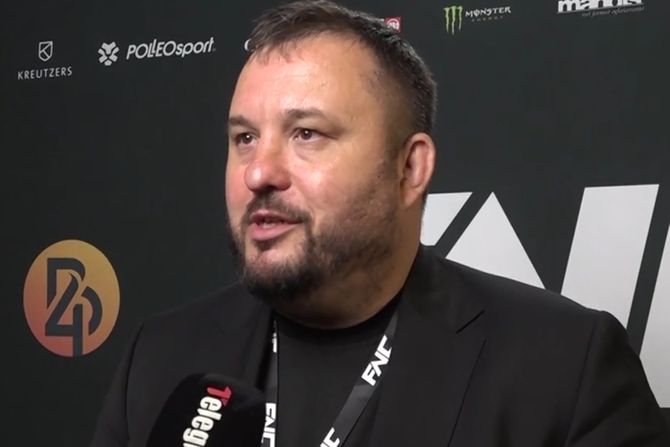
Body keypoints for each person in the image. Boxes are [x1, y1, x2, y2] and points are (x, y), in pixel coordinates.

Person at [91, 1, 670, 446]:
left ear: (410, 168)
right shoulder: (160, 358)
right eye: (244, 138)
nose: (258, 172)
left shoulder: (565, 369)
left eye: (306, 134)